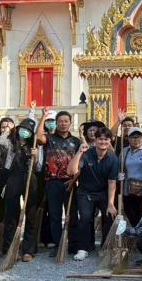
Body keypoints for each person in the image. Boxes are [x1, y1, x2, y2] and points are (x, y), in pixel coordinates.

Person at [67, 127, 119, 261]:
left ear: (110, 141)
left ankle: (105, 247)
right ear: (95, 140)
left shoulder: (113, 159)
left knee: (111, 215)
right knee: (85, 218)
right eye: (100, 139)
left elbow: (112, 182)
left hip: (103, 192)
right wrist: (79, 152)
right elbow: (71, 171)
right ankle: (83, 248)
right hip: (85, 192)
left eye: (106, 139)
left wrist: (111, 204)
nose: (103, 142)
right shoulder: (86, 154)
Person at [36, 108, 81, 258]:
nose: (63, 124)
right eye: (60, 121)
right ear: (56, 123)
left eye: (66, 121)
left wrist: (74, 180)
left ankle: (73, 244)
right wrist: (43, 117)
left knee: (72, 214)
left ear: (70, 123)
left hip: (70, 182)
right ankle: (58, 244)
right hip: (52, 182)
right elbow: (38, 137)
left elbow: (81, 163)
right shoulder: (49, 138)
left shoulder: (76, 141)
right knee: (55, 216)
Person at [0, 118, 40, 262]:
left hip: (29, 178)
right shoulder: (11, 143)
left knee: (31, 215)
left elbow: (38, 167)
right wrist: (8, 129)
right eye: (23, 128)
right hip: (13, 178)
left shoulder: (33, 145)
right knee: (11, 214)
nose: (25, 132)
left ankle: (28, 250)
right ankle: (10, 249)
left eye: (28, 130)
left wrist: (35, 157)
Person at [123, 127, 142, 227]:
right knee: (131, 217)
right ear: (129, 139)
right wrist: (120, 175)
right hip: (128, 189)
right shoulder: (125, 151)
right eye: (133, 137)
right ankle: (133, 236)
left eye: (138, 137)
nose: (136, 140)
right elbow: (120, 167)